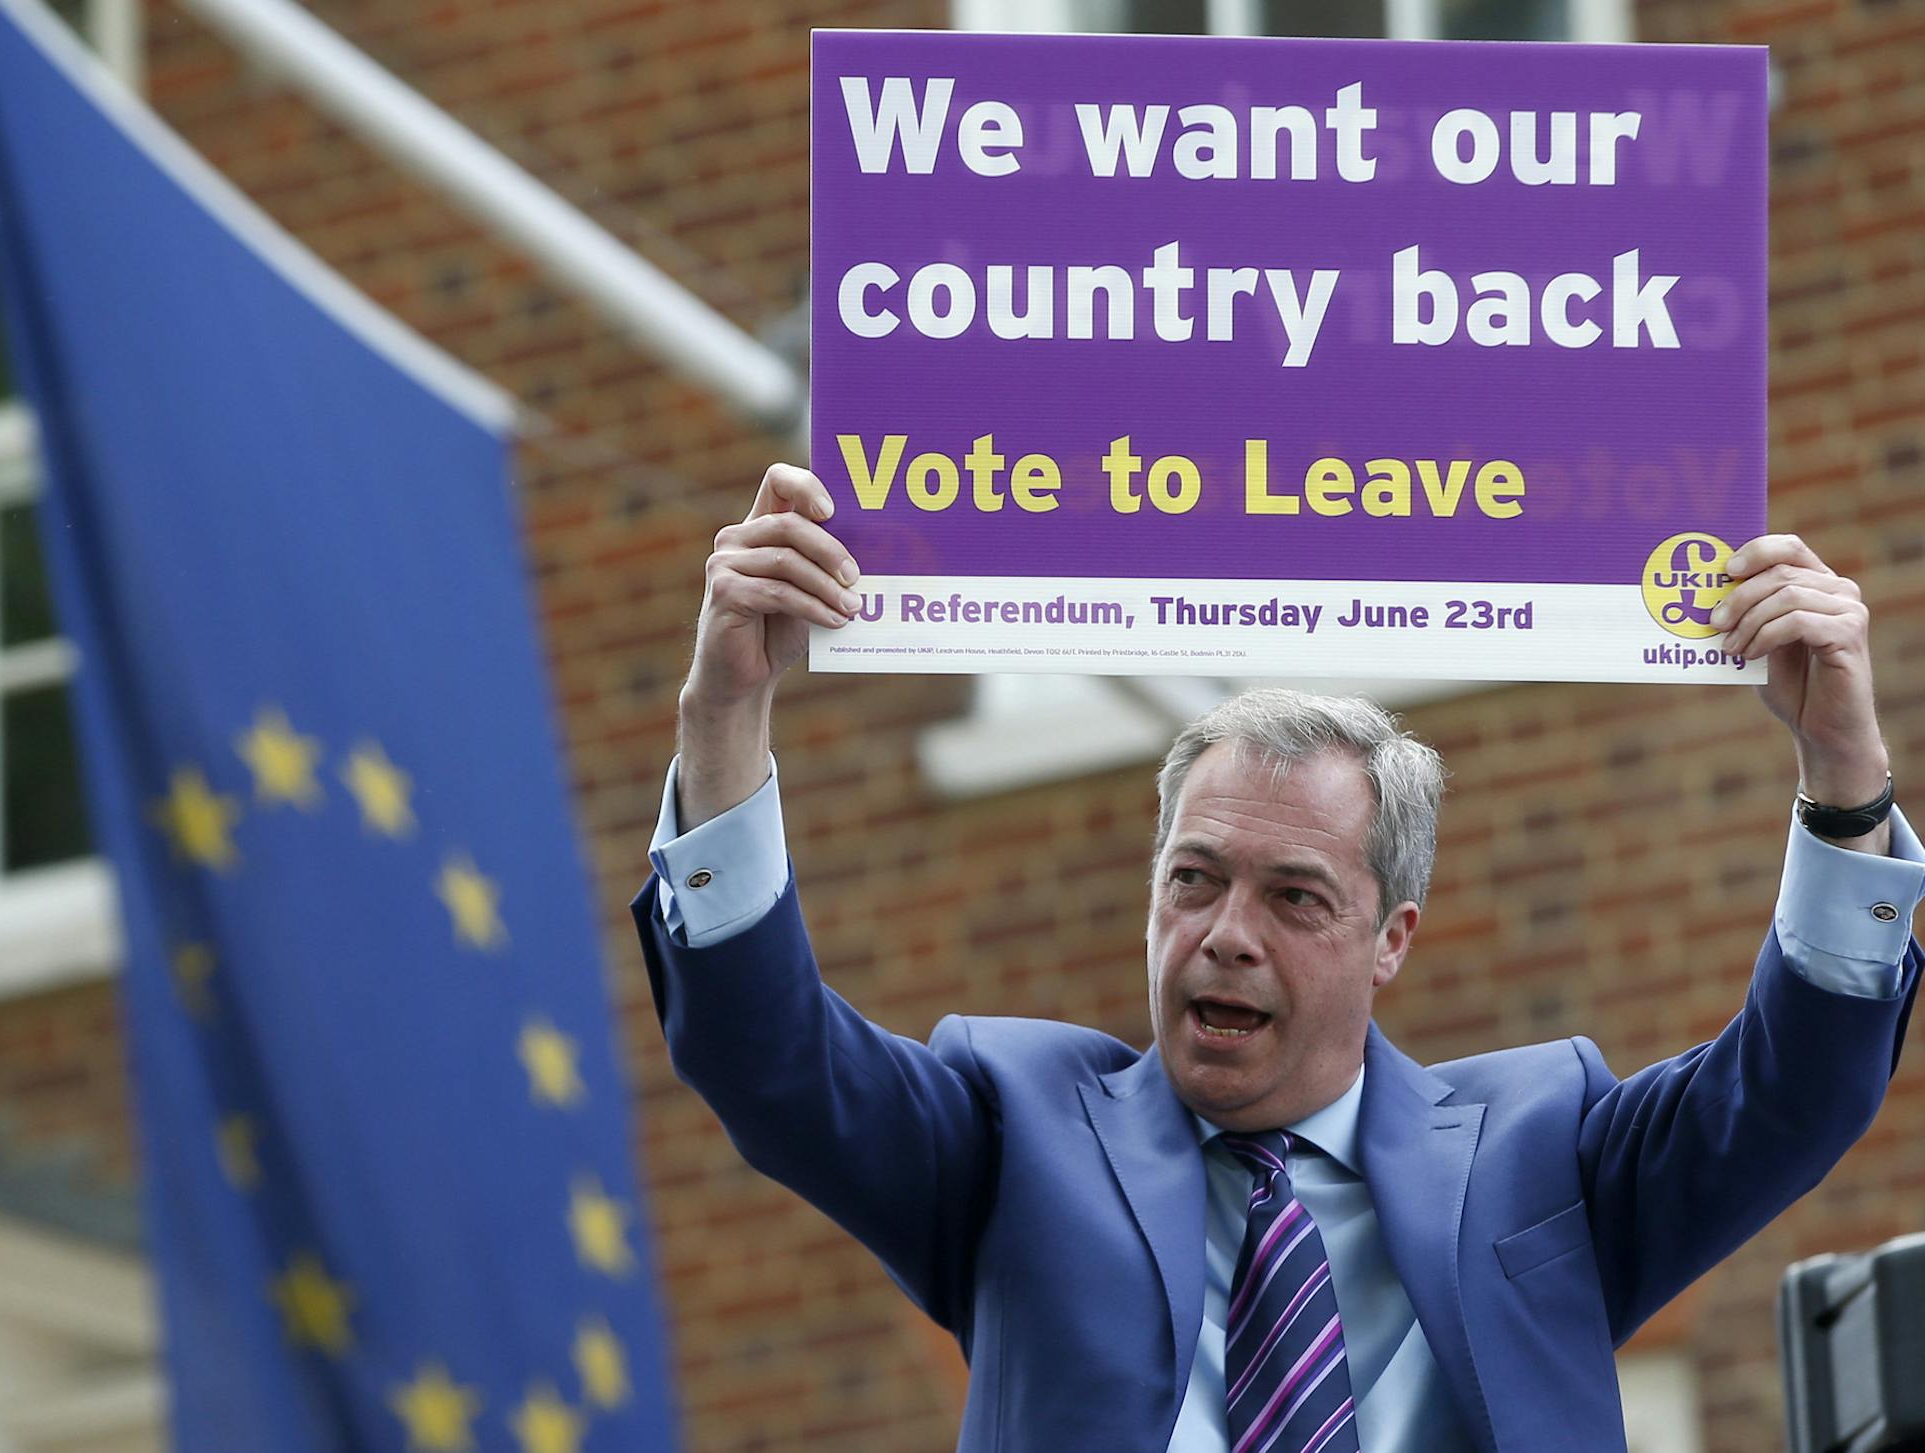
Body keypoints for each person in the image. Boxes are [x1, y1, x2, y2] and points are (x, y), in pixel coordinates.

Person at [631, 463, 1922, 1453]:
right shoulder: (1007, 1124)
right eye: (1193, 880)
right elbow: (769, 1057)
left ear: (1391, 936)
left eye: (1294, 894)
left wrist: (1846, 776)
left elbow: (1797, 1089)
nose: (1225, 932)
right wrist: (722, 715)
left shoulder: (1545, 1149)